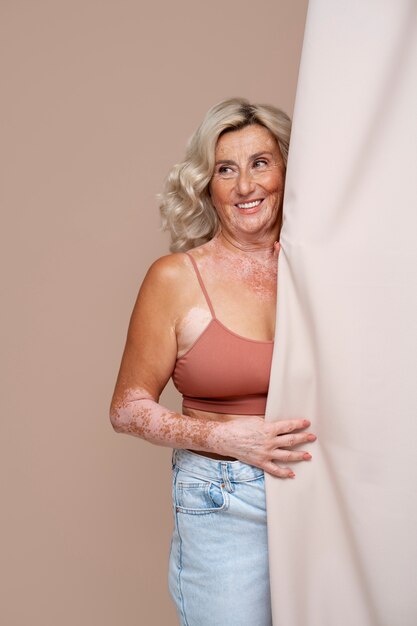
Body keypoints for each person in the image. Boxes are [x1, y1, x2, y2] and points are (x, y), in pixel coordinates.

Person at [109, 97, 316, 626]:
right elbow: (127, 408)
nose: (245, 186)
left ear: (288, 171)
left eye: (260, 163)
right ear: (207, 184)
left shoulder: (319, 272)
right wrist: (226, 439)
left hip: (320, 493)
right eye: (226, 169)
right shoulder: (175, 277)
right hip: (225, 500)